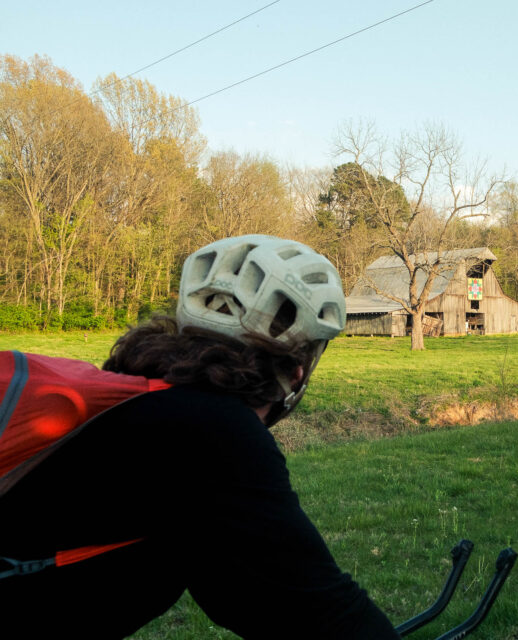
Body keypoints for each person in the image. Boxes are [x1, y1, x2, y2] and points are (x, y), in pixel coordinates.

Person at [0, 235, 401, 639]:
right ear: (297, 372)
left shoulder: (140, 397)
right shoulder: (215, 431)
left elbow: (237, 591)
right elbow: (324, 610)